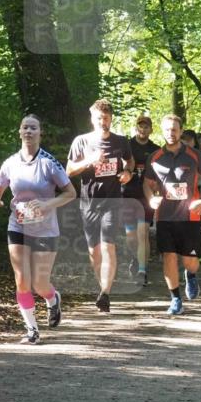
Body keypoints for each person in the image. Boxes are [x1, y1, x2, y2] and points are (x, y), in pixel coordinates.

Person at [0, 115, 77, 344]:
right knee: (21, 279)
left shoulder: (49, 163)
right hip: (17, 224)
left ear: (40, 133)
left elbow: (71, 193)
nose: (29, 131)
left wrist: (47, 205)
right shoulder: (10, 162)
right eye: (25, 127)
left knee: (39, 283)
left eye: (34, 128)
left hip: (45, 229)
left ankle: (52, 298)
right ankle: (32, 330)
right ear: (19, 132)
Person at [67, 99, 134, 313]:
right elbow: (69, 171)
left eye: (105, 118)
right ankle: (102, 288)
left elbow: (130, 161)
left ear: (111, 119)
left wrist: (128, 173)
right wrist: (89, 161)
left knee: (108, 246)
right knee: (94, 250)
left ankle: (105, 292)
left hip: (112, 201)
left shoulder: (121, 141)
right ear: (92, 119)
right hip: (89, 202)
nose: (102, 121)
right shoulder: (81, 141)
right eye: (98, 118)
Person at [143, 114, 201, 315]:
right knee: (169, 257)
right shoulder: (154, 158)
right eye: (166, 130)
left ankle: (190, 275)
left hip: (189, 216)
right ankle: (175, 298)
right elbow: (147, 184)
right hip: (165, 216)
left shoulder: (194, 155)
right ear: (161, 131)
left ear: (181, 131)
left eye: (174, 130)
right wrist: (150, 199)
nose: (170, 134)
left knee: (190, 262)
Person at [123, 115, 160, 286]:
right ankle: (135, 259)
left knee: (143, 232)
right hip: (128, 195)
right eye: (140, 126)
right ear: (136, 128)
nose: (143, 129)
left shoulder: (156, 150)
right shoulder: (127, 146)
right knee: (131, 237)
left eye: (146, 127)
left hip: (146, 196)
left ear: (151, 129)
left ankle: (142, 271)